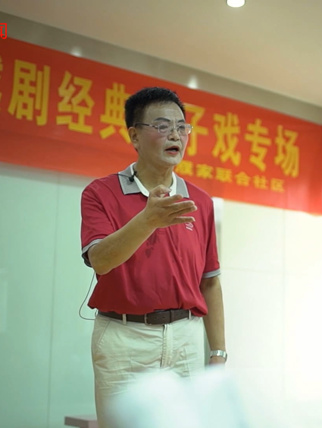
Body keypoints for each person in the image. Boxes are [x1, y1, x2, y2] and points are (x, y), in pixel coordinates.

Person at [80, 86, 226, 427]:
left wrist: (218, 352)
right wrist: (148, 219)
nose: (175, 135)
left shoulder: (200, 201)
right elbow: (101, 260)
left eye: (181, 127)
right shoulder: (100, 193)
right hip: (124, 337)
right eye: (162, 126)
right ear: (134, 136)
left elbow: (210, 282)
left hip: (186, 337)